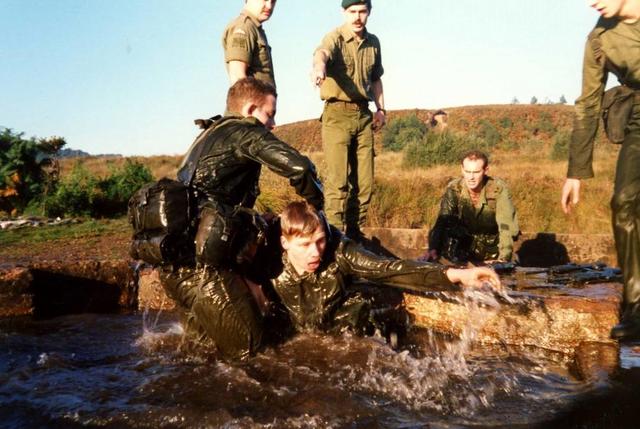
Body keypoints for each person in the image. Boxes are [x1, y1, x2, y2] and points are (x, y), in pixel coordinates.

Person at [160, 77, 324, 361]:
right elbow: (300, 169)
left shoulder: (207, 135)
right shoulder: (244, 130)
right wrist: (317, 208)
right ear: (250, 110)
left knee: (201, 355)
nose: (272, 124)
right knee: (254, 353)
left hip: (175, 264)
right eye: (269, 114)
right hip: (203, 271)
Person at [272, 201, 502, 338]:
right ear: (285, 244)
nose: (315, 252)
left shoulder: (340, 252)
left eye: (320, 241)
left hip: (341, 327)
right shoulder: (269, 267)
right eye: (305, 245)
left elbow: (390, 268)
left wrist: (457, 274)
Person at [560, 0, 640, 341]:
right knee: (624, 201)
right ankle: (636, 310)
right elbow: (588, 104)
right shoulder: (599, 40)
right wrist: (575, 171)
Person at [311, 0, 385, 241]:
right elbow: (321, 53)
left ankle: (354, 235)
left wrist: (381, 109)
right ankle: (333, 237)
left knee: (364, 184)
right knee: (338, 183)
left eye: (362, 11)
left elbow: (375, 79)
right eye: (352, 11)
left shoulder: (373, 43)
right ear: (344, 12)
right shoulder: (335, 37)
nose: (357, 17)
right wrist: (319, 68)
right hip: (337, 115)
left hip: (363, 115)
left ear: (369, 13)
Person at [425, 150, 519, 264]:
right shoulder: (454, 188)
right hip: (463, 248)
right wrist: (433, 249)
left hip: (492, 250)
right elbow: (442, 221)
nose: (471, 177)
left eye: (476, 172)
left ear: (485, 170)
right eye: (467, 172)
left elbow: (505, 226)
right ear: (462, 169)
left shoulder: (498, 189)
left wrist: (503, 259)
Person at [222, 0, 277, 88]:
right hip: (253, 101)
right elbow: (237, 78)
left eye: (273, 1)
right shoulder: (244, 27)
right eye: (265, 0)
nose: (269, 6)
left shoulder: (255, 29)